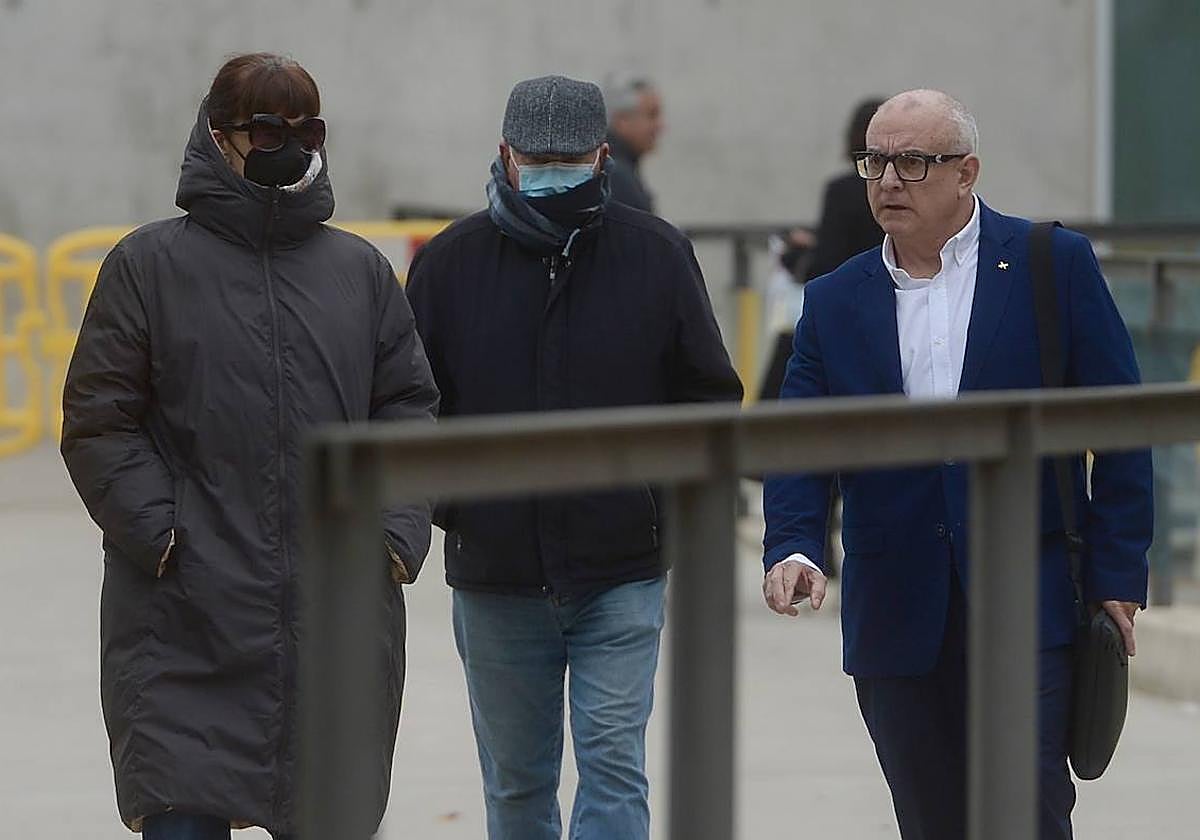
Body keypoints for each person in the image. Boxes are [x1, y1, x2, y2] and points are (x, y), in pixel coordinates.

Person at [60, 53, 439, 840]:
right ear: (219, 135)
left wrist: (393, 538)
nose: (289, 144)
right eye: (268, 128)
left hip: (333, 622)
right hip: (183, 621)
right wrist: (162, 534)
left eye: (307, 128)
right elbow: (100, 419)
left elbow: (408, 408)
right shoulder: (147, 266)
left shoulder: (359, 273)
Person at [761, 89, 1153, 840]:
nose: (887, 181)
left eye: (913, 162)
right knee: (931, 821)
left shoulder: (1051, 265)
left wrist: (1117, 576)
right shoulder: (835, 300)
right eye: (875, 162)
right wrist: (795, 544)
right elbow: (798, 443)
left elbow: (1124, 425)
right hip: (895, 611)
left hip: (1029, 598)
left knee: (1026, 811)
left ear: (967, 171)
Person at [406, 74, 742, 840]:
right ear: (505, 155)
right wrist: (458, 509)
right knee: (518, 784)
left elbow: (709, 395)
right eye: (536, 157)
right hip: (497, 577)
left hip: (620, 567)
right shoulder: (451, 266)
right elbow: (410, 407)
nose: (553, 171)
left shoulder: (655, 255)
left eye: (569, 158)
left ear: (601, 158)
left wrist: (658, 503)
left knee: (614, 768)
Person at [603, 74, 663, 212]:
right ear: (622, 119)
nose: (660, 125)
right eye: (652, 115)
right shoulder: (615, 178)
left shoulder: (611, 168)